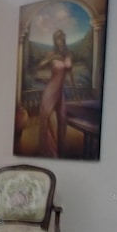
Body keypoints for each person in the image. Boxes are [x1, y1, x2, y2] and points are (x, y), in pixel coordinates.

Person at [36, 29, 76, 158]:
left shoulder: (68, 54)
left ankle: (60, 151)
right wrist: (45, 78)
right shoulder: (51, 54)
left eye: (62, 38)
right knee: (45, 119)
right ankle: (49, 151)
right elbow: (39, 69)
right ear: (55, 40)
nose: (61, 41)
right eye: (58, 39)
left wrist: (76, 92)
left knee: (62, 120)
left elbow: (70, 74)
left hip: (60, 92)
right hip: (50, 91)